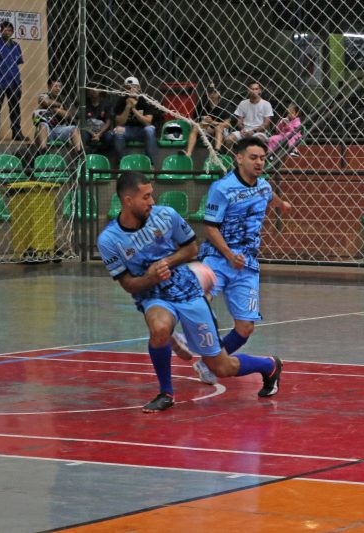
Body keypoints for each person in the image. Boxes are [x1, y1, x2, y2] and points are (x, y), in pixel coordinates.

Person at [96, 170, 284, 413]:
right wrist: (151, 277)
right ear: (128, 200)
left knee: (220, 367)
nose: (152, 201)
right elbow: (128, 284)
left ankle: (269, 365)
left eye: (152, 194)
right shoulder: (109, 240)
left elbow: (191, 250)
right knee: (159, 329)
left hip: (187, 291)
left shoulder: (166, 215)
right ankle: (166, 393)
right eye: (146, 197)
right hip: (153, 295)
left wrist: (167, 263)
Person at [179, 137, 292, 381]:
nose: (259, 162)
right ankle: (186, 339)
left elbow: (269, 195)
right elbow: (211, 227)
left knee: (245, 327)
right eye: (253, 157)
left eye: (262, 158)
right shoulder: (222, 188)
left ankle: (208, 364)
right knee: (201, 298)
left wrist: (281, 204)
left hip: (247, 265)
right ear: (239, 158)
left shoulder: (263, 186)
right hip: (218, 258)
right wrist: (230, 255)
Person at [0, 21, 25, 141]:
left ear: (12, 32)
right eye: (5, 30)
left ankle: (17, 133)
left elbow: (18, 62)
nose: (8, 32)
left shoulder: (16, 46)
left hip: (14, 81)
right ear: (1, 31)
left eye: (10, 30)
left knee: (15, 108)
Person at [114, 76, 160, 167]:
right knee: (118, 130)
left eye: (133, 87)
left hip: (142, 129)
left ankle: (150, 163)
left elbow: (147, 122)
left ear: (138, 88)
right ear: (124, 89)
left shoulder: (145, 100)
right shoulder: (121, 101)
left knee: (150, 130)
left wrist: (133, 108)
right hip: (127, 129)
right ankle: (122, 163)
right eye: (128, 88)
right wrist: (128, 106)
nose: (131, 90)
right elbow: (119, 123)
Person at [33, 78, 83, 152]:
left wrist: (57, 110)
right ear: (49, 87)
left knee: (75, 129)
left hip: (60, 129)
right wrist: (58, 105)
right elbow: (44, 101)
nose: (58, 88)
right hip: (47, 128)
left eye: (60, 86)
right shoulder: (44, 95)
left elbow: (69, 115)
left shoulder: (65, 99)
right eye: (55, 86)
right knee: (42, 125)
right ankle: (43, 151)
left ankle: (79, 153)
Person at [182, 84, 231, 157]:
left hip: (221, 128)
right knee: (196, 127)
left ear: (219, 93)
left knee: (218, 128)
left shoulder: (224, 105)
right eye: (210, 92)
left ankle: (217, 151)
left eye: (214, 92)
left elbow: (227, 124)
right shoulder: (202, 104)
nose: (212, 94)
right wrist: (204, 124)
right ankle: (188, 153)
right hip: (207, 126)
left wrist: (212, 122)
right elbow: (195, 119)